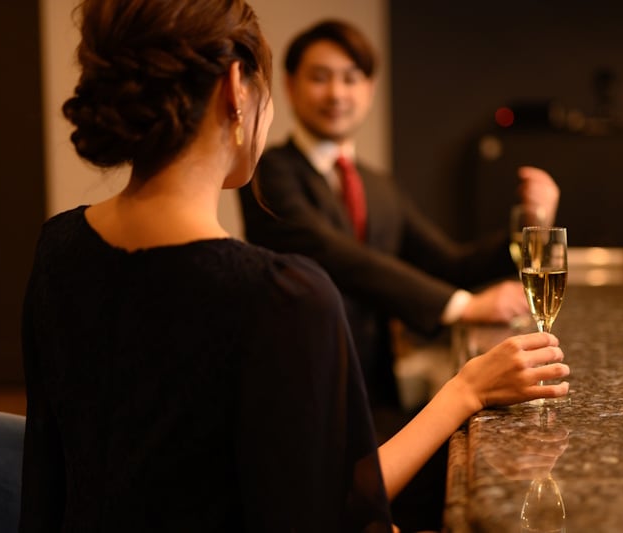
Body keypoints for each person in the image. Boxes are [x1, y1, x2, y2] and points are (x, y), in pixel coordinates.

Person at [19, 1, 570, 532]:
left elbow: (48, 476)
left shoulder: (58, 246)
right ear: (238, 89)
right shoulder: (283, 294)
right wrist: (465, 389)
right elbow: (336, 512)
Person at [238, 19, 561, 411]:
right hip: (297, 385)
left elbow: (450, 263)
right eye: (320, 77)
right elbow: (336, 255)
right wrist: (462, 306)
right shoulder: (268, 173)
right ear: (289, 85)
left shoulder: (377, 184)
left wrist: (533, 227)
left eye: (351, 78)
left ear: (370, 89)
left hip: (372, 389)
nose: (337, 93)